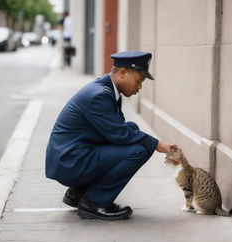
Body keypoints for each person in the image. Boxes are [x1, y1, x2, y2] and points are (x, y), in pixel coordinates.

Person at [45, 51, 178, 220]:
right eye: (139, 81)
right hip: (70, 162)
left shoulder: (108, 90)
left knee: (133, 128)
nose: (140, 87)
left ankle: (77, 193)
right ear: (123, 73)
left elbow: (119, 131)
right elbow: (120, 134)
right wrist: (156, 143)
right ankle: (94, 202)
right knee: (139, 149)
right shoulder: (99, 95)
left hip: (73, 156)